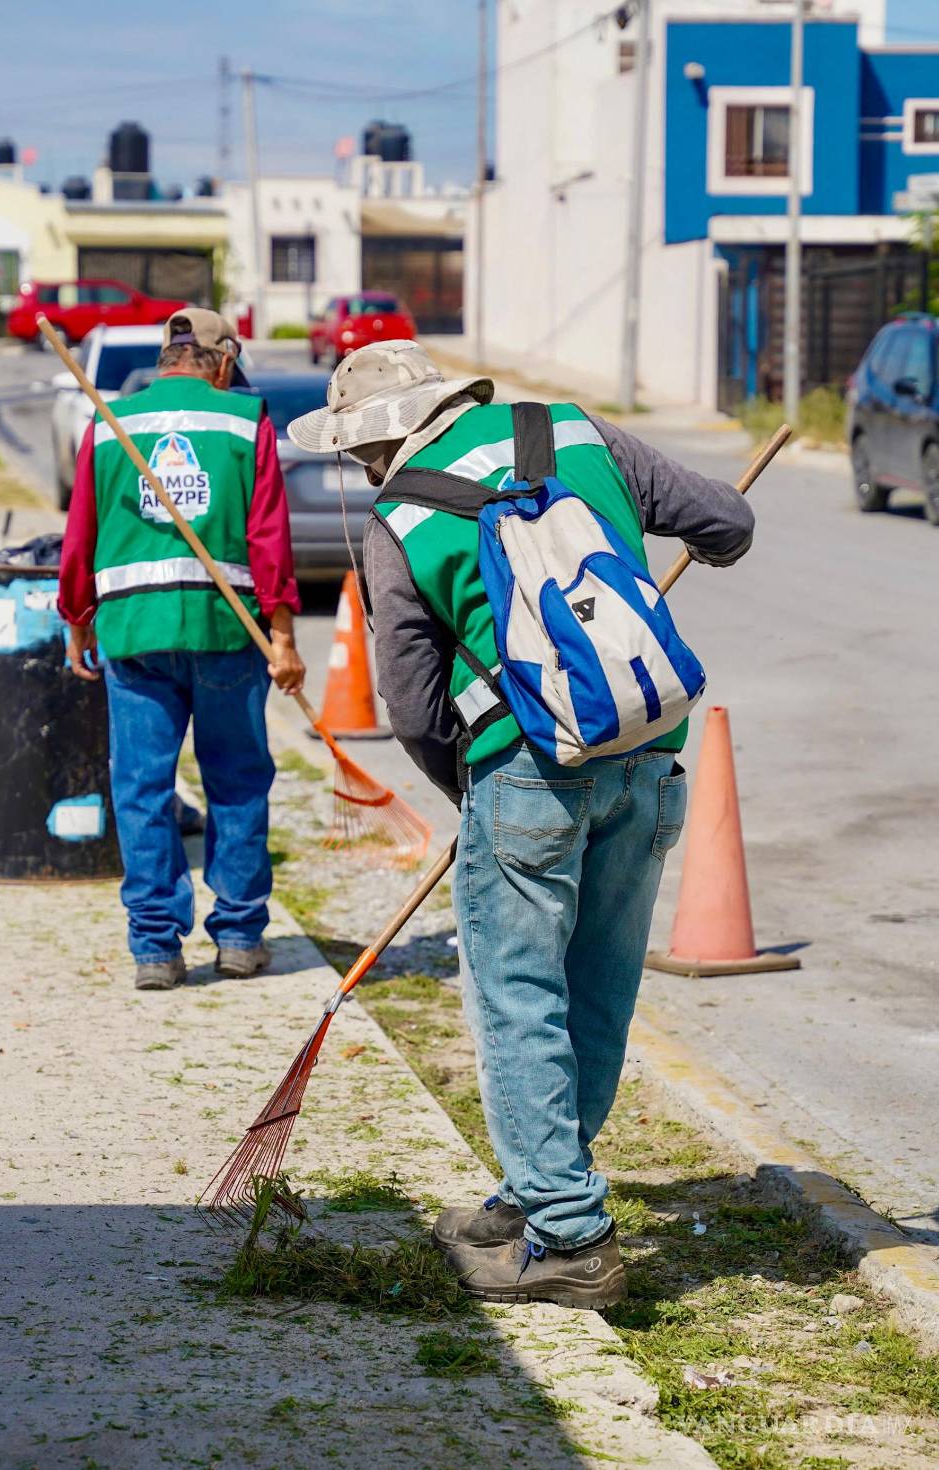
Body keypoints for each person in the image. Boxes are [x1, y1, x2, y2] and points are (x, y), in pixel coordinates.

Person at [287, 341, 754, 1308]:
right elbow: (728, 521)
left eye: (360, 452)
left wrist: (473, 790)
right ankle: (541, 1192)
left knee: (518, 996)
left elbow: (413, 709)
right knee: (596, 985)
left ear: (382, 437)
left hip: (530, 770)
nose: (365, 470)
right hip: (648, 755)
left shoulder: (401, 515)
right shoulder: (572, 431)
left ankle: (573, 1238)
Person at [58, 308, 305, 991]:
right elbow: (269, 538)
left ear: (170, 358)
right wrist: (282, 636)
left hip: (134, 633)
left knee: (142, 790)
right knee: (236, 782)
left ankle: (155, 949)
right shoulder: (242, 419)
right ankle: (239, 935)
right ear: (222, 363)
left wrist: (77, 615)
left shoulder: (110, 423)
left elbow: (79, 532)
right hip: (224, 631)